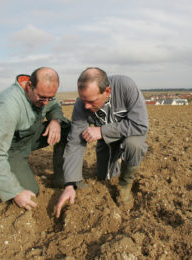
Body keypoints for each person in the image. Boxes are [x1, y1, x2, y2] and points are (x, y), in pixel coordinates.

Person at [54, 67, 149, 217]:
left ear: (107, 91)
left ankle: (125, 184)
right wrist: (70, 184)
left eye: (91, 101)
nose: (85, 106)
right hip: (106, 141)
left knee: (134, 145)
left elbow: (140, 125)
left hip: (131, 133)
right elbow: (75, 143)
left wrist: (101, 131)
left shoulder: (126, 87)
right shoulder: (81, 105)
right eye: (82, 99)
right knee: (104, 177)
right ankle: (113, 166)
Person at [0, 67, 70, 210]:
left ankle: (60, 178)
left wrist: (55, 121)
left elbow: (54, 106)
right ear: (29, 86)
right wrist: (14, 192)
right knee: (30, 194)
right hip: (11, 146)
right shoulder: (8, 106)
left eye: (50, 97)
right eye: (42, 98)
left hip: (28, 134)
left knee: (66, 128)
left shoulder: (44, 92)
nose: (46, 102)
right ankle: (6, 178)